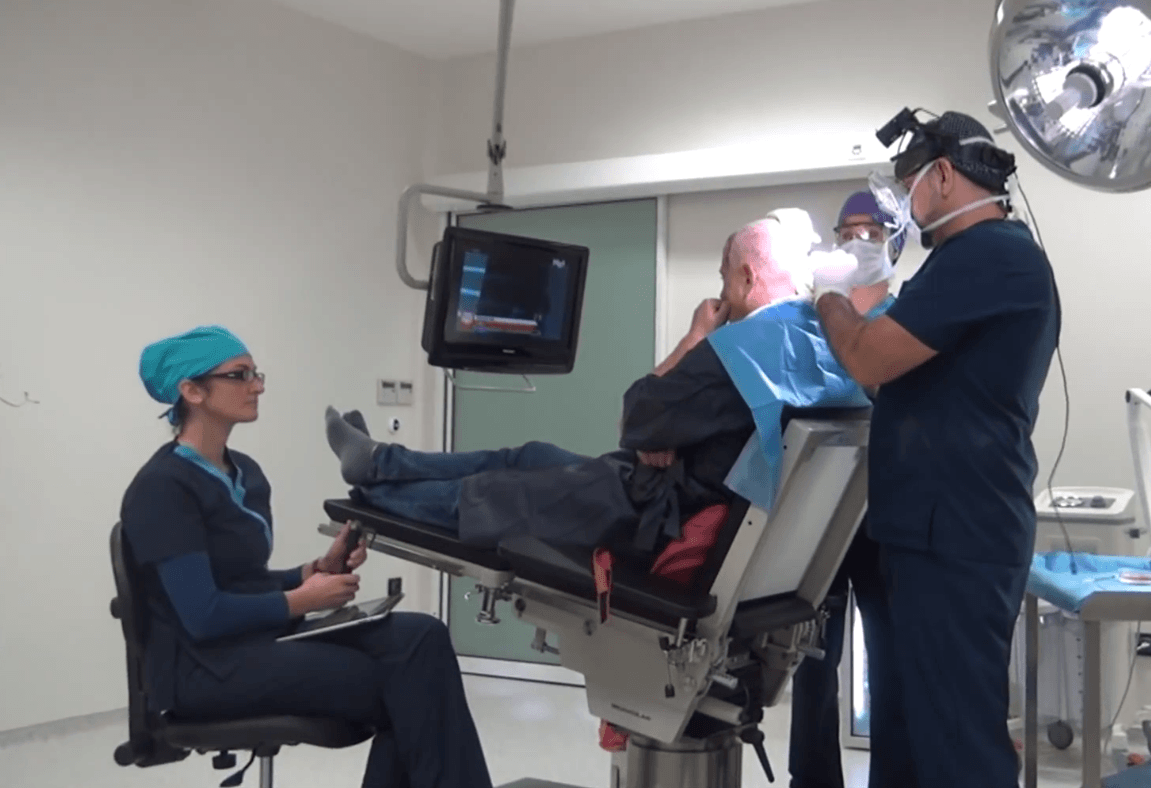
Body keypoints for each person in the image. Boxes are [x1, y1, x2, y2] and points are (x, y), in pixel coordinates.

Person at [325, 211, 891, 555]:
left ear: (745, 276)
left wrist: (695, 336)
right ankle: (379, 462)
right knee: (531, 455)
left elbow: (635, 418)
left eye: (723, 276)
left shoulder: (740, 348)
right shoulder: (822, 344)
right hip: (670, 493)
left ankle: (373, 498)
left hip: (654, 515)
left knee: (498, 494)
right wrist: (665, 437)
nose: (721, 290)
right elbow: (677, 426)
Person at [119, 326, 493, 788]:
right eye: (240, 375)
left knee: (423, 638)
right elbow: (202, 614)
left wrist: (313, 571)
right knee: (405, 683)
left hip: (256, 639)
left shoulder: (245, 473)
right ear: (192, 391)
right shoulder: (163, 489)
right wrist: (303, 600)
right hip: (204, 668)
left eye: (257, 374)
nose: (257, 386)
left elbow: (241, 580)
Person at [809, 110, 1061, 788]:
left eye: (906, 187)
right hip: (927, 532)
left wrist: (829, 295)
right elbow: (897, 375)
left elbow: (867, 358)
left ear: (943, 174)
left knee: (955, 744)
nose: (901, 205)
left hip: (956, 535)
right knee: (906, 735)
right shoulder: (961, 261)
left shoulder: (989, 255)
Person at [787, 191, 901, 788]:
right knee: (812, 656)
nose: (859, 241)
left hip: (885, 509)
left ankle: (895, 775)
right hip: (820, 506)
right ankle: (812, 778)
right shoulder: (814, 320)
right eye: (848, 231)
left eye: (872, 231)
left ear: (891, 241)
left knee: (891, 655)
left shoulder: (906, 319)